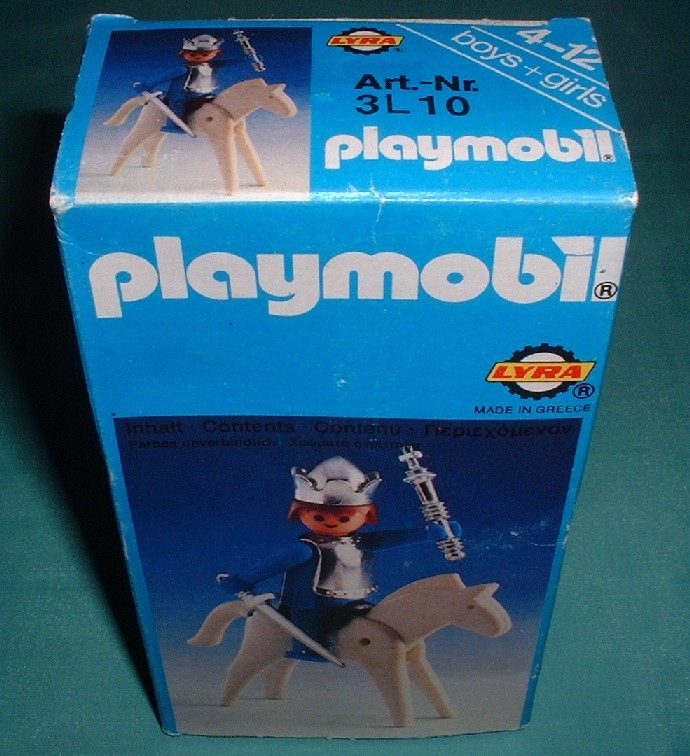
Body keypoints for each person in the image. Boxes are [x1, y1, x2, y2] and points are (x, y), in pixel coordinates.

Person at [217, 456, 461, 661]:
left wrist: (427, 533)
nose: (332, 522)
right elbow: (273, 565)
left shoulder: (361, 542)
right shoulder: (305, 549)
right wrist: (243, 580)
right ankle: (306, 650)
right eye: (319, 517)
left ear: (366, 515)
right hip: (311, 602)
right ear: (299, 512)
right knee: (310, 628)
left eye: (345, 518)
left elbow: (391, 539)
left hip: (356, 597)